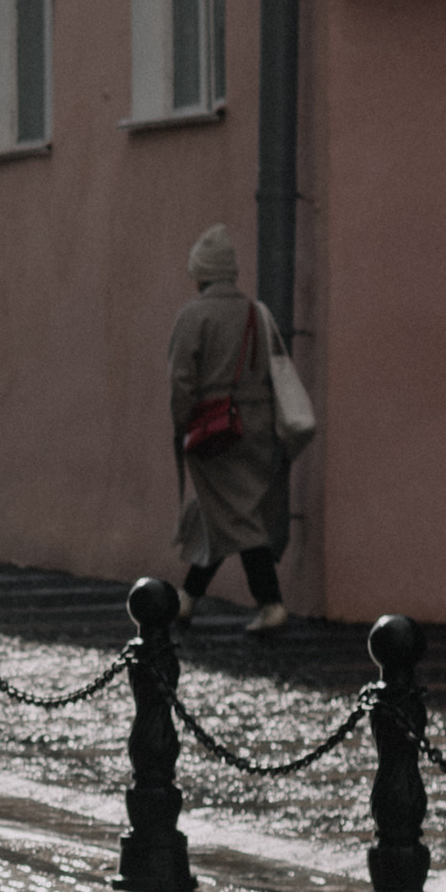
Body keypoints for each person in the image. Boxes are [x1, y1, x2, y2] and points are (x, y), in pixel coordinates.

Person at [168, 221, 293, 632]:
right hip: (257, 426)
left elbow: (182, 381)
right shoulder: (257, 313)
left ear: (201, 272)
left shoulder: (193, 316)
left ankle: (270, 603)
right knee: (221, 509)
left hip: (214, 428)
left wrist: (182, 424)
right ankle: (188, 597)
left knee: (236, 516)